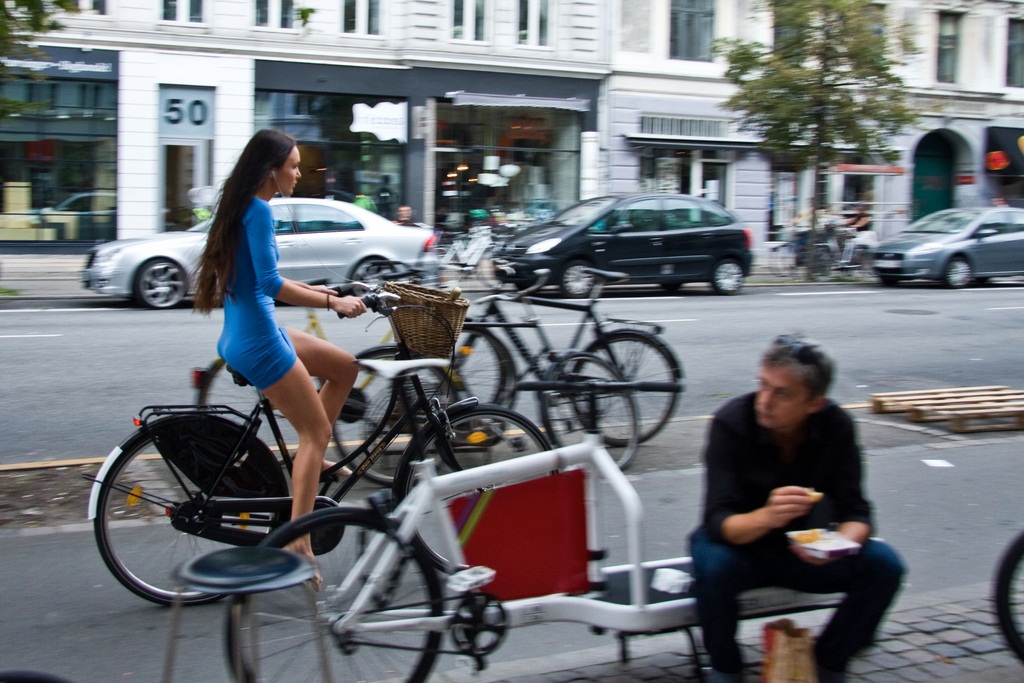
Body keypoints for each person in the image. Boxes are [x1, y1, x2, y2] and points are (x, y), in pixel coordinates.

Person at [193, 129, 367, 577]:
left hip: (250, 330)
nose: (298, 174)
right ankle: (298, 543)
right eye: (292, 166)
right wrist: (332, 303)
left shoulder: (245, 207)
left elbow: (260, 279)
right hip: (259, 340)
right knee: (315, 432)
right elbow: (270, 284)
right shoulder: (258, 211)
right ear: (271, 170)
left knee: (345, 369)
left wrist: (319, 290)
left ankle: (313, 458)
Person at [689, 335, 905, 683]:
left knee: (885, 566)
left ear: (814, 403)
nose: (765, 401)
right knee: (714, 568)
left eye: (782, 394)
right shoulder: (732, 423)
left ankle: (828, 662)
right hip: (742, 548)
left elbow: (857, 512)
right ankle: (726, 669)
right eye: (763, 385)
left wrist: (837, 546)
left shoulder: (836, 426)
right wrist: (767, 516)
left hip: (805, 549)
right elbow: (718, 521)